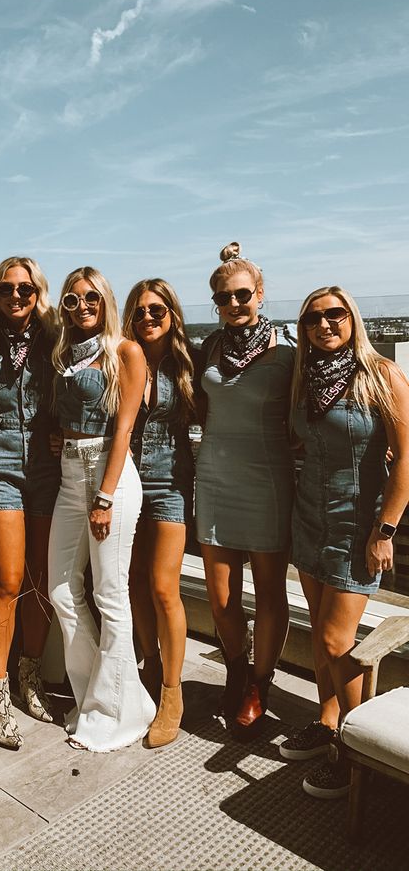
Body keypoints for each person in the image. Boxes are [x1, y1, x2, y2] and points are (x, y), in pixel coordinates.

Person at [279, 286, 409, 798]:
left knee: (337, 640)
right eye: (313, 317)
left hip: (358, 526)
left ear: (352, 319)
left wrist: (386, 530)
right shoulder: (305, 380)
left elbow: (405, 460)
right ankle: (328, 721)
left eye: (335, 315)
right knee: (319, 632)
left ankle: (354, 755)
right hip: (308, 519)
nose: (324, 324)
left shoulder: (382, 375)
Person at [48, 266, 155, 752]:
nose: (83, 306)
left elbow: (124, 430)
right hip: (71, 474)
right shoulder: (65, 354)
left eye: (92, 297)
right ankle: (97, 693)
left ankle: (119, 713)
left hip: (107, 477)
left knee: (111, 597)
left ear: (106, 301)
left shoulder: (124, 352)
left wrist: (105, 496)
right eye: (72, 299)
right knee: (61, 591)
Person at [196, 242, 295, 740]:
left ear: (259, 294)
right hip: (213, 478)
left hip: (268, 482)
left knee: (269, 594)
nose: (233, 305)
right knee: (220, 596)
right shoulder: (209, 348)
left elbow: (330, 398)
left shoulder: (289, 352)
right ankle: (236, 667)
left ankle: (259, 684)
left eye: (241, 295)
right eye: (223, 298)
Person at [0, 256, 60, 750]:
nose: (16, 296)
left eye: (26, 289)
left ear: (38, 292)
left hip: (47, 470)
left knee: (39, 581)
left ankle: (31, 676)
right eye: (7, 289)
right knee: (5, 580)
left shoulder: (56, 342)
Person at [122, 279, 196, 747]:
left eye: (158, 310)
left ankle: (173, 691)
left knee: (164, 586)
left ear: (172, 314)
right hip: (125, 481)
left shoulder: (189, 362)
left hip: (171, 483)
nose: (149, 317)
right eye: (141, 311)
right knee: (131, 583)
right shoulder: (119, 359)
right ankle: (147, 666)